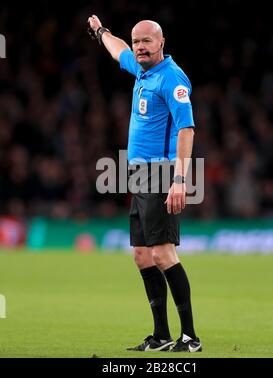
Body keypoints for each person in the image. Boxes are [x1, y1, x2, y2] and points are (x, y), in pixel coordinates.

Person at [87, 15, 202, 352]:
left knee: (164, 254)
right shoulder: (141, 69)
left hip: (163, 173)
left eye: (146, 41)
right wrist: (101, 32)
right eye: (137, 42)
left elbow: (187, 129)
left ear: (161, 43)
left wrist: (180, 180)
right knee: (142, 255)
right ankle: (162, 335)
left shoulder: (172, 78)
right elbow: (117, 50)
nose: (139, 47)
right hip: (139, 174)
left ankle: (190, 338)